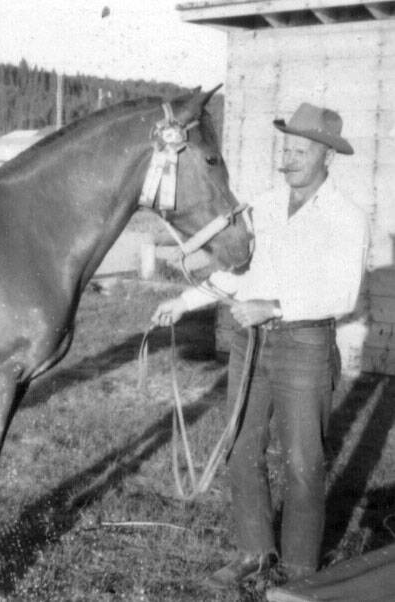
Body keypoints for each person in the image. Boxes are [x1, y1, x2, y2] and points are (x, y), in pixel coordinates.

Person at [151, 103, 370, 587]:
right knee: (241, 448)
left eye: (300, 150)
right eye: (286, 148)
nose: (288, 158)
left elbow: (343, 293)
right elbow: (235, 272)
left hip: (305, 347)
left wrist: (272, 307)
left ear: (327, 157)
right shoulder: (263, 207)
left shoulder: (347, 217)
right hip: (250, 346)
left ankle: (298, 569)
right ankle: (254, 550)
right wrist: (184, 302)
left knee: (302, 460)